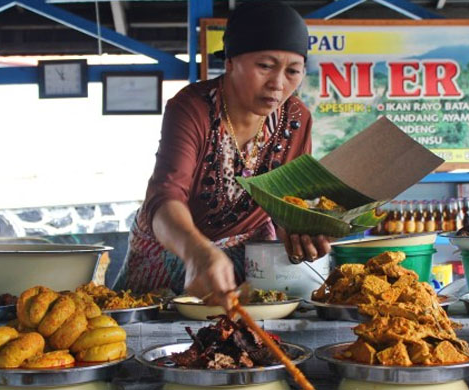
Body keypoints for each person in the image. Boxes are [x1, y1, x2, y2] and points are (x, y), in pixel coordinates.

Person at [114, 1, 330, 309]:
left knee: (239, 332)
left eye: (293, 71)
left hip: (249, 255)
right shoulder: (193, 108)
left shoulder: (296, 119)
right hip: (175, 246)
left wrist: (299, 232)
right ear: (230, 62)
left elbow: (287, 204)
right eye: (265, 66)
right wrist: (197, 253)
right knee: (151, 324)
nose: (278, 84)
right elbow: (165, 198)